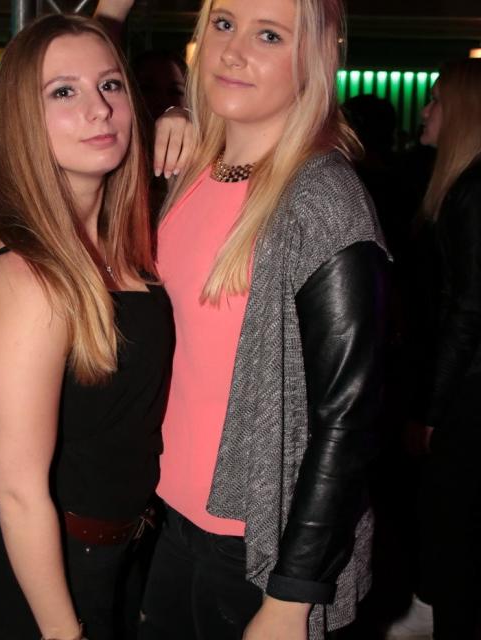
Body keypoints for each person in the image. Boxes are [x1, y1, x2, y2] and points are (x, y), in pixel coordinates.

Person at [138, 0, 390, 638]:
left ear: (313, 59)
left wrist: (292, 594)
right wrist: (175, 113)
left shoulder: (322, 199)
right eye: (224, 24)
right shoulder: (191, 170)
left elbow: (349, 417)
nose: (234, 50)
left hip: (259, 543)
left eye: (269, 35)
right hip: (170, 516)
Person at [0, 14, 174, 640]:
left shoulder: (121, 245)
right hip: (53, 572)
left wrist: (184, 116)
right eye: (63, 92)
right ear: (22, 121)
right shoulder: (29, 278)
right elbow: (19, 493)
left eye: (110, 85)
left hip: (125, 548)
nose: (99, 109)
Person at [408, 59, 481, 640]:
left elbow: (469, 307)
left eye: (434, 100)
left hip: (470, 395)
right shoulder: (463, 185)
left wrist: (433, 409)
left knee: (455, 523)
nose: (425, 111)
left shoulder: (473, 190)